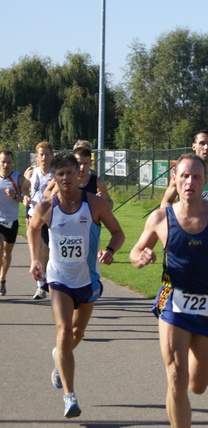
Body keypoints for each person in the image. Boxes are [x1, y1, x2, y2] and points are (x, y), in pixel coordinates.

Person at [130, 153, 208, 428]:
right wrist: (141, 257)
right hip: (173, 303)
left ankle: (178, 397)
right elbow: (135, 252)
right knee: (175, 376)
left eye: (196, 176)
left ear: (205, 180)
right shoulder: (160, 218)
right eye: (184, 176)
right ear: (174, 179)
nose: (190, 182)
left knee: (197, 385)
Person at [27, 152, 125, 418]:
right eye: (60, 174)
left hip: (87, 280)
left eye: (70, 172)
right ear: (55, 178)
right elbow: (33, 228)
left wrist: (110, 250)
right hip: (58, 279)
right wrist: (35, 258)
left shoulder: (95, 204)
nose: (66, 178)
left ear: (78, 174)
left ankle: (59, 361)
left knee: (75, 335)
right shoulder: (46, 207)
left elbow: (118, 232)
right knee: (63, 331)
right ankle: (69, 396)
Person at [161, 129, 208, 207]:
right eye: (202, 143)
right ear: (194, 146)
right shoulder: (183, 173)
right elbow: (166, 202)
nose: (206, 147)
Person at [26, 141, 54, 300]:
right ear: (36, 157)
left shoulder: (55, 175)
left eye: (46, 154)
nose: (44, 157)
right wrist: (24, 196)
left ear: (51, 156)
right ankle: (40, 286)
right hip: (34, 214)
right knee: (39, 250)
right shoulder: (32, 173)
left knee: (49, 251)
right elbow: (24, 188)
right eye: (41, 155)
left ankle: (48, 280)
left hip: (50, 215)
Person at [43, 146, 114, 209]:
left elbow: (110, 205)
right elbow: (48, 197)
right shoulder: (64, 180)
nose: (82, 167)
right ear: (73, 163)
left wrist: (104, 201)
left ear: (91, 163)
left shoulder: (98, 183)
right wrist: (60, 199)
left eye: (85, 163)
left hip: (91, 222)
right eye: (79, 163)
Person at [0, 150, 30, 296]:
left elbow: (26, 198)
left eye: (8, 162)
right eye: (3, 162)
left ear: (12, 163)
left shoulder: (18, 178)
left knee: (6, 253)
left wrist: (15, 196)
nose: (5, 165)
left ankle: (2, 279)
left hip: (11, 220)